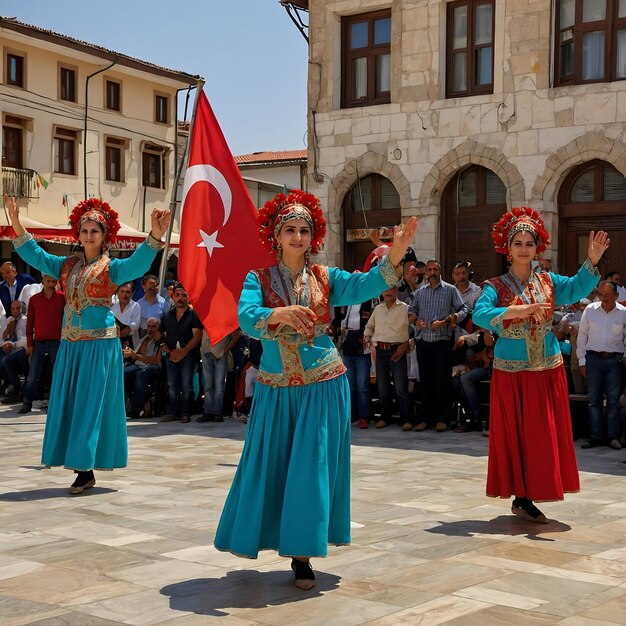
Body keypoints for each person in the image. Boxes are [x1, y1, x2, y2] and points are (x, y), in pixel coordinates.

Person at [214, 189, 416, 589]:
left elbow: (365, 284)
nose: (297, 237)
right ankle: (271, 536)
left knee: (311, 469)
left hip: (323, 385)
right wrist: (280, 313)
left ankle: (303, 555)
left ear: (313, 236)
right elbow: (248, 317)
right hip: (275, 391)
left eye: (304, 230)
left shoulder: (327, 277)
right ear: (275, 235)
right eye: (289, 229)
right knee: (269, 468)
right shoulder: (257, 279)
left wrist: (395, 254)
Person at [6, 196, 170, 494]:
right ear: (77, 234)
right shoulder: (66, 265)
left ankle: (84, 470)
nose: (89, 235)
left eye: (95, 231)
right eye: (84, 230)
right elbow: (36, 255)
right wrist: (16, 223)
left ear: (105, 235)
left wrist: (155, 235)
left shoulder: (112, 268)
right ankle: (81, 466)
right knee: (69, 404)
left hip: (99, 347)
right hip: (70, 346)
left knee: (90, 405)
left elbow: (139, 263)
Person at [473, 206, 607, 523]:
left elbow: (576, 287)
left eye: (529, 244)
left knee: (542, 434)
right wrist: (512, 313)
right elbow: (479, 314)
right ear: (508, 248)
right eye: (517, 243)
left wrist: (593, 261)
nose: (523, 249)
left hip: (545, 367)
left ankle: (528, 494)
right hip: (512, 371)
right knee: (517, 434)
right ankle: (521, 496)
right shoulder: (495, 286)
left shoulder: (547, 281)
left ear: (537, 248)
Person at [410, 259, 468, 432]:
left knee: (442, 381)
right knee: (425, 381)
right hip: (424, 341)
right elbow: (412, 310)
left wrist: (451, 319)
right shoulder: (420, 292)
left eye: (435, 269)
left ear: (440, 271)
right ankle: (426, 419)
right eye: (430, 269)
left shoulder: (450, 290)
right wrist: (416, 320)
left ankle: (443, 419)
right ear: (425, 272)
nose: (432, 272)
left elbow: (463, 309)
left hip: (442, 341)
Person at [577, 281, 626, 450]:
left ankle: (613, 437)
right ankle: (596, 436)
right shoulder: (590, 310)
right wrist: (582, 361)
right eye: (601, 295)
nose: (603, 298)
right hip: (593, 360)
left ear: (616, 296)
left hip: (614, 361)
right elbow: (582, 336)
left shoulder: (623, 313)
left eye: (608, 295)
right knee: (594, 401)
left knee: (613, 401)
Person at [363, 286, 414, 430]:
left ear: (396, 290)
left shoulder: (405, 308)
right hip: (380, 351)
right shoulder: (378, 309)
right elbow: (370, 326)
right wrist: (367, 336)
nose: (388, 293)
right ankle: (386, 417)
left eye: (391, 289)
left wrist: (406, 344)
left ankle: (407, 419)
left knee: (400, 387)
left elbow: (414, 328)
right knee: (383, 387)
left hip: (397, 350)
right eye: (385, 290)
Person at [18, 275, 66, 414]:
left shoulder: (62, 298)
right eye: (48, 281)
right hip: (38, 343)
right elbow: (30, 323)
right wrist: (29, 344)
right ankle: (27, 403)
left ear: (56, 283)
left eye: (53, 281)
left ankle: (55, 404)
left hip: (56, 342)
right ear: (43, 282)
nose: (51, 284)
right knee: (33, 375)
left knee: (57, 374)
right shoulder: (34, 300)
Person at [159, 283, 203, 424]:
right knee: (172, 384)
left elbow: (197, 335)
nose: (180, 298)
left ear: (189, 297)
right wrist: (164, 347)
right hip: (171, 355)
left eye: (184, 295)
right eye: (177, 295)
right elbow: (160, 333)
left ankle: (186, 413)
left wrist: (184, 351)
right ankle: (174, 412)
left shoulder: (193, 314)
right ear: (173, 296)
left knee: (186, 384)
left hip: (188, 355)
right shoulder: (168, 315)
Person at [123, 317, 164, 419]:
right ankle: (125, 407)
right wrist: (130, 353)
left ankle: (136, 410)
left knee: (140, 375)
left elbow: (155, 360)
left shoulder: (160, 340)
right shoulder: (144, 338)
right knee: (121, 374)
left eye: (154, 326)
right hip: (138, 364)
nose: (151, 329)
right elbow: (136, 355)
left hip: (152, 367)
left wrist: (135, 355)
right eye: (149, 326)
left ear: (159, 327)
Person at [198, 329, 241, 423]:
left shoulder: (224, 320)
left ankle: (217, 412)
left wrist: (225, 351)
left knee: (219, 385)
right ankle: (207, 412)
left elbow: (236, 336)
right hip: (206, 353)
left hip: (220, 355)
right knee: (208, 384)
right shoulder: (206, 318)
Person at [0, 300, 29, 404]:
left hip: (24, 349)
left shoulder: (26, 320)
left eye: (17, 308)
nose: (15, 311)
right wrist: (6, 341)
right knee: (2, 358)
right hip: (12, 350)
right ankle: (9, 386)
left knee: (6, 360)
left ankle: (17, 390)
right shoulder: (9, 320)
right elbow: (2, 339)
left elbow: (27, 340)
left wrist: (13, 344)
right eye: (13, 309)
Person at [111, 282, 141, 349]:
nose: (125, 294)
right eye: (122, 291)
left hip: (130, 341)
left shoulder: (136, 306)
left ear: (132, 294)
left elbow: (136, 323)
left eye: (128, 292)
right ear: (117, 293)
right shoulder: (112, 306)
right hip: (114, 341)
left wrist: (129, 328)